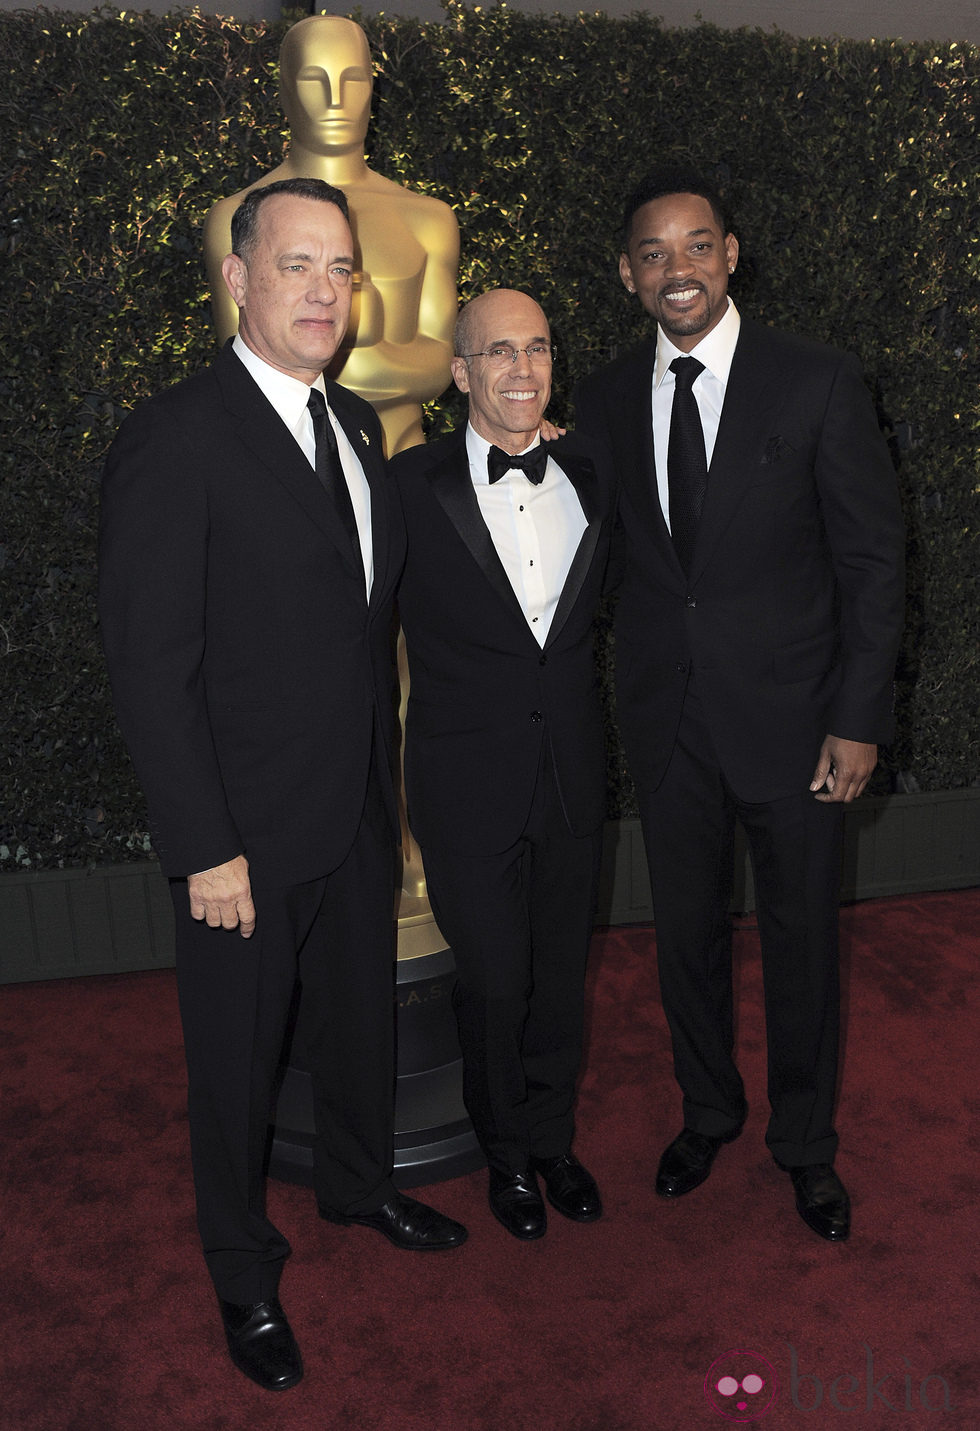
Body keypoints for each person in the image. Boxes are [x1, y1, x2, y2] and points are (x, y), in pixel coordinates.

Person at [98, 178, 466, 1395]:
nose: (322, 288)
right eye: (295, 263)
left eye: (339, 267)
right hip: (241, 840)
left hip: (356, 811)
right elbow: (153, 670)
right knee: (236, 1066)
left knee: (358, 1023)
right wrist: (203, 847)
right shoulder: (176, 435)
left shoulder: (356, 428)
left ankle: (359, 1192)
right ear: (237, 279)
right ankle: (242, 1271)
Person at [573, 169, 905, 1242]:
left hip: (800, 730)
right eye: (654, 252)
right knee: (684, 942)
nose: (678, 268)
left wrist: (856, 717)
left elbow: (871, 558)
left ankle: (802, 1145)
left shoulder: (814, 381)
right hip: (669, 726)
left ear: (729, 255)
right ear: (628, 274)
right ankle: (706, 1111)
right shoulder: (608, 396)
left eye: (695, 245)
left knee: (801, 941)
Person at [391, 290, 616, 1240]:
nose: (521, 370)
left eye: (537, 350)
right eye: (498, 353)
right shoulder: (409, 486)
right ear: (461, 372)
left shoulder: (595, 472)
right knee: (494, 979)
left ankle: (554, 1138)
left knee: (562, 974)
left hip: (569, 772)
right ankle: (507, 1155)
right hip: (461, 781)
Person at [203, 15, 458, 460]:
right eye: (313, 79)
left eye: (353, 79)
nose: (336, 100)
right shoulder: (235, 216)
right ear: (283, 89)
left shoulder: (428, 218)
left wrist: (327, 349)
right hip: (283, 456)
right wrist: (381, 347)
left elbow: (440, 366)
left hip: (404, 455)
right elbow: (248, 365)